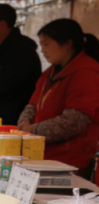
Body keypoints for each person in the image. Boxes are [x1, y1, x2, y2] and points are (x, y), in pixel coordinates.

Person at [17, 19, 99, 174]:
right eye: (41, 45)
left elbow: (75, 121)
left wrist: (33, 130)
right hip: (42, 156)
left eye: (46, 44)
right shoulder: (50, 72)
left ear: (67, 44)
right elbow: (32, 104)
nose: (42, 50)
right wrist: (24, 123)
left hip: (70, 162)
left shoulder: (86, 72)